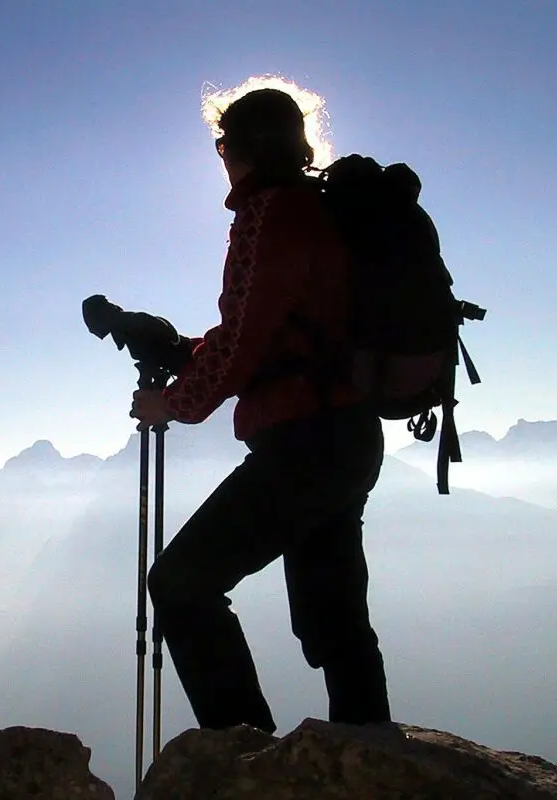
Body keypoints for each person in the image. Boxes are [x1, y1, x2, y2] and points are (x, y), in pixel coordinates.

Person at [129, 83, 395, 735]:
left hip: (303, 444)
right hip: (348, 437)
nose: (221, 157)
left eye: (223, 144)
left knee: (181, 585)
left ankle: (241, 759)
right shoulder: (319, 210)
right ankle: (370, 755)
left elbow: (245, 342)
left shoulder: (269, 214)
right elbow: (274, 331)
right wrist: (184, 349)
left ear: (243, 148)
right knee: (334, 621)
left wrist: (170, 404)